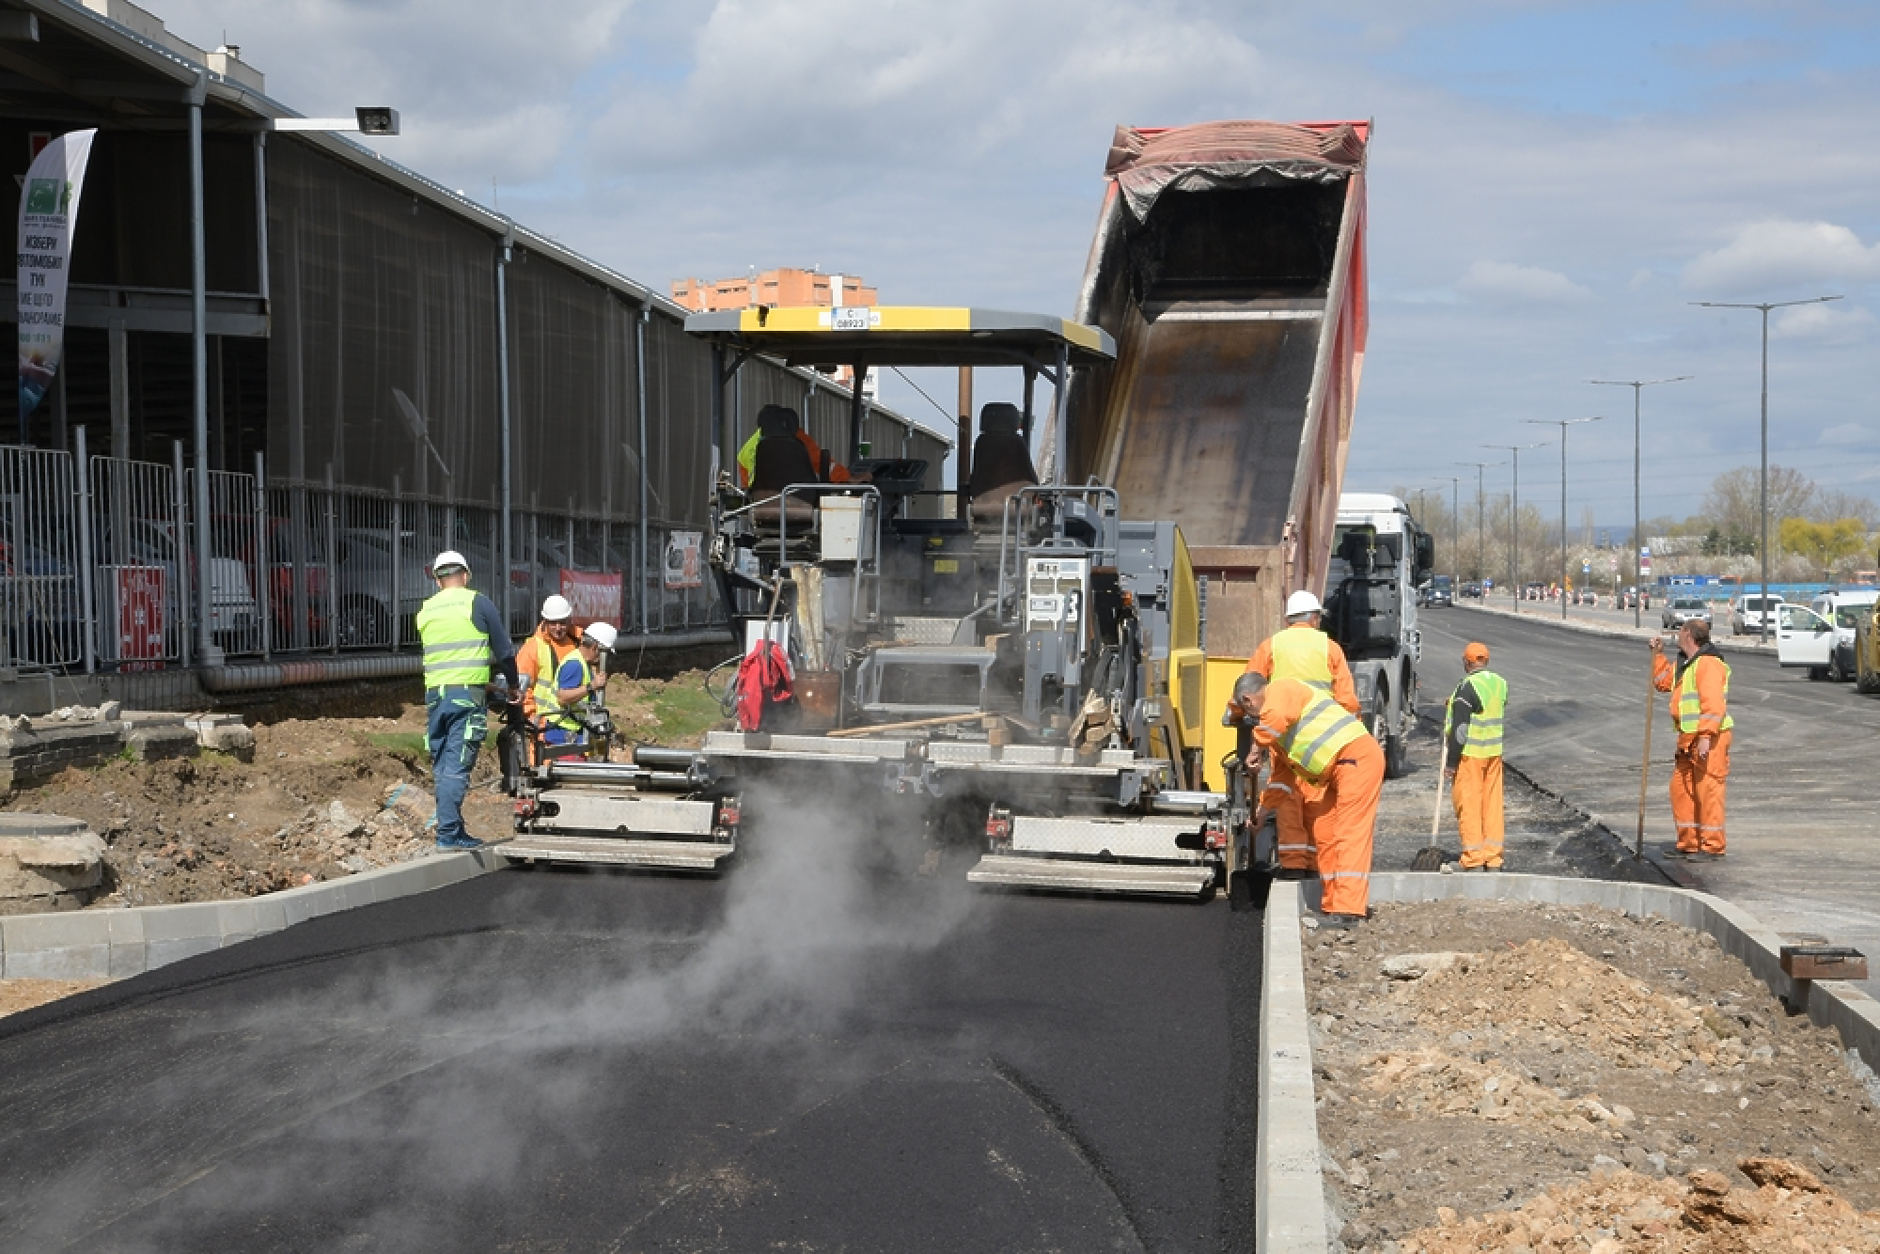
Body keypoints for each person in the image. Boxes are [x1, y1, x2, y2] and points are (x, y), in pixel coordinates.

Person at [1233, 670, 1383, 928]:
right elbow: (1282, 780)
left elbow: (1274, 720)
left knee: (1349, 832)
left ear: (1248, 699)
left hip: (1356, 757)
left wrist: (1256, 748)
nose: (1252, 718)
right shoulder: (1279, 735)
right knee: (1324, 831)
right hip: (1337, 770)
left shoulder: (1281, 689)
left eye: (1248, 712)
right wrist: (1262, 812)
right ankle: (1333, 904)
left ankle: (1349, 910)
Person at [1234, 589, 1360, 876]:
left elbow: (1248, 686)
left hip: (1285, 737)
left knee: (1287, 797)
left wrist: (1235, 713)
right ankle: (1317, 865)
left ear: (1288, 619)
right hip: (1323, 741)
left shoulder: (1272, 646)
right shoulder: (1330, 647)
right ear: (1314, 618)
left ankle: (1292, 865)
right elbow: (1347, 699)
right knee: (1318, 804)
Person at [415, 550, 517, 850]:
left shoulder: (426, 610)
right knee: (458, 766)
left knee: (443, 763)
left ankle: (453, 827)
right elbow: (505, 651)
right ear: (466, 575)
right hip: (466, 699)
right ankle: (447, 834)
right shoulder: (477, 602)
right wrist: (512, 686)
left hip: (436, 696)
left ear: (437, 580)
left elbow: (449, 658)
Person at [1651, 619, 1731, 859]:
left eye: (1679, 631)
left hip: (1709, 737)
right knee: (1681, 788)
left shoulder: (1708, 664)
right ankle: (1689, 842)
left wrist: (1706, 735)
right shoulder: (1686, 664)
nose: (1676, 636)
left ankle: (1712, 845)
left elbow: (1712, 704)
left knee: (1708, 790)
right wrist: (1658, 655)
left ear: (1688, 635)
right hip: (1688, 737)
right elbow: (1663, 683)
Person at [1443, 642, 1507, 871]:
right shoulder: (1500, 684)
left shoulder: (1467, 687)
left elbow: (1461, 730)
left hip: (1470, 757)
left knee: (1469, 805)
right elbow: (1490, 708)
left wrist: (1451, 763)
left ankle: (1473, 858)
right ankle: (1493, 857)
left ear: (1467, 662)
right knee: (1492, 806)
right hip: (1494, 756)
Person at [539, 621, 618, 752]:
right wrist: (592, 686)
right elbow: (563, 697)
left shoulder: (582, 663)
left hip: (571, 731)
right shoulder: (575, 665)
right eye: (604, 653)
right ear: (595, 648)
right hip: (563, 733)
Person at [736, 404, 851, 488]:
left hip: (761, 504)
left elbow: (746, 486)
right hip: (801, 499)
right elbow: (822, 464)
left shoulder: (745, 450)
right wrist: (847, 479)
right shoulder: (798, 439)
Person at [518, 594, 584, 730]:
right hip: (545, 724)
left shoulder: (579, 643)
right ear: (545, 621)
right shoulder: (533, 648)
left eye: (562, 622)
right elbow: (522, 687)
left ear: (569, 620)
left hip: (577, 723)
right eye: (553, 623)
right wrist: (532, 716)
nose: (558, 628)